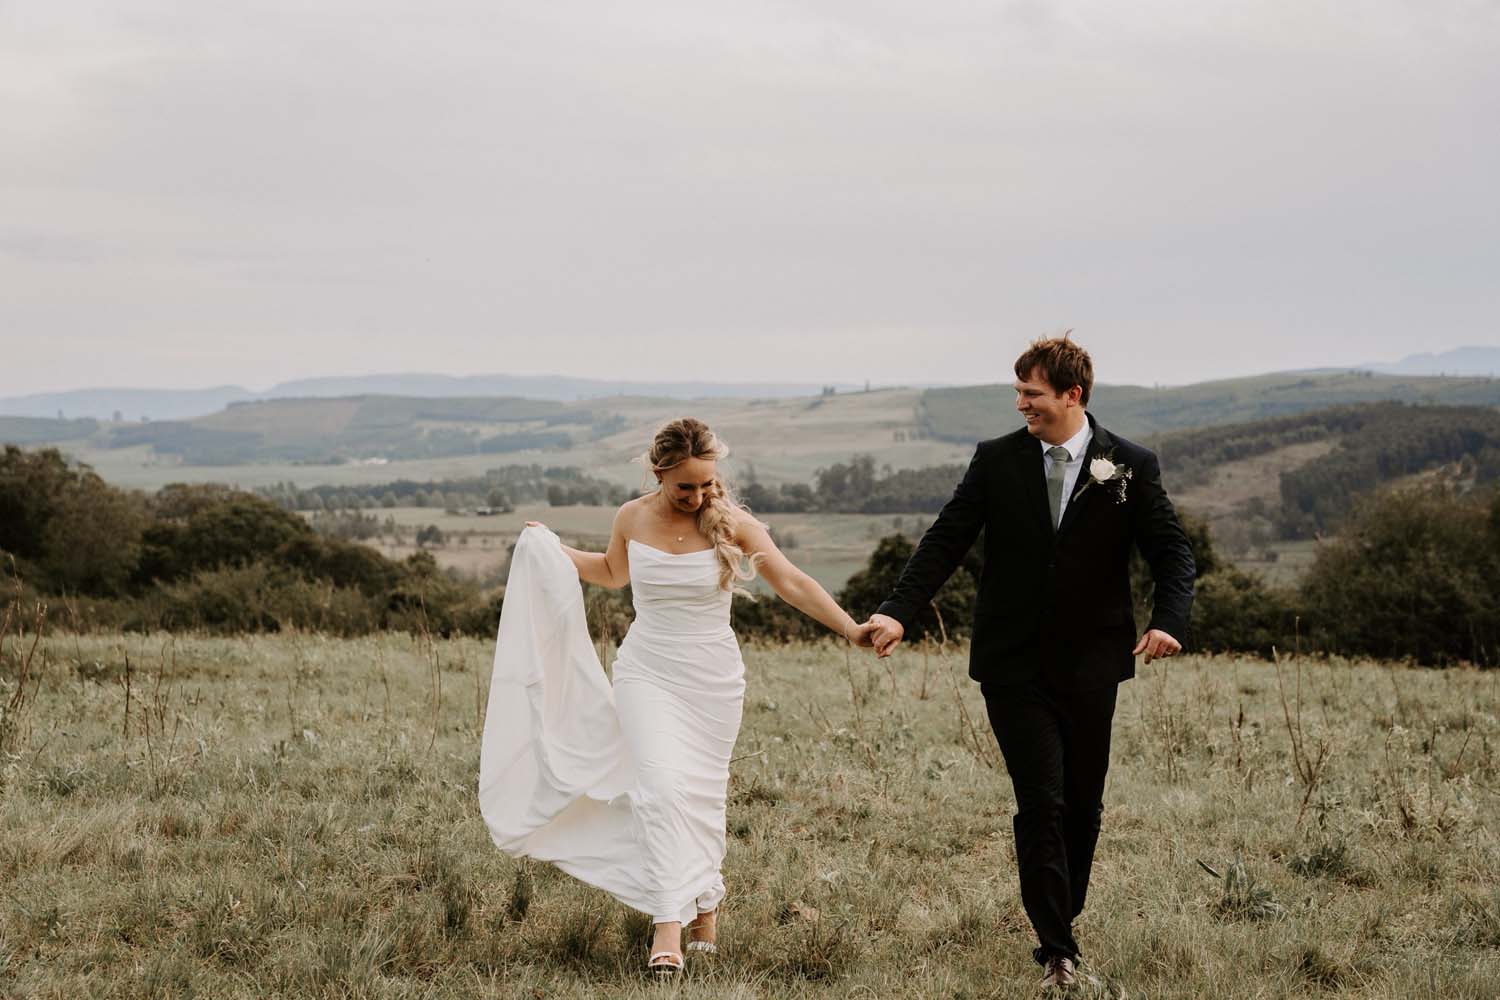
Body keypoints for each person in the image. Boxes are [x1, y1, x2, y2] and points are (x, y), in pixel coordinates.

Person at [479, 417, 875, 976]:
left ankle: (706, 899)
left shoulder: (733, 524)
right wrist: (551, 547)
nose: (696, 496)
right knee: (660, 788)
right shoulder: (631, 517)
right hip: (647, 672)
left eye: (705, 484)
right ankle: (668, 922)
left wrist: (851, 628)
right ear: (659, 472)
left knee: (703, 795)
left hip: (713, 677)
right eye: (683, 486)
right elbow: (613, 574)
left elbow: (792, 582)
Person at [864, 335, 1195, 990]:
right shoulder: (996, 462)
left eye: (1032, 394)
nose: (1021, 406)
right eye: (1018, 393)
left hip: (1095, 662)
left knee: (1082, 806)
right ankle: (1057, 950)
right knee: (1040, 802)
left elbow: (1173, 553)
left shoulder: (1128, 464)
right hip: (1012, 664)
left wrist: (1167, 622)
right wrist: (899, 610)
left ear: (1072, 396)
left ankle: (1060, 919)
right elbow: (946, 539)